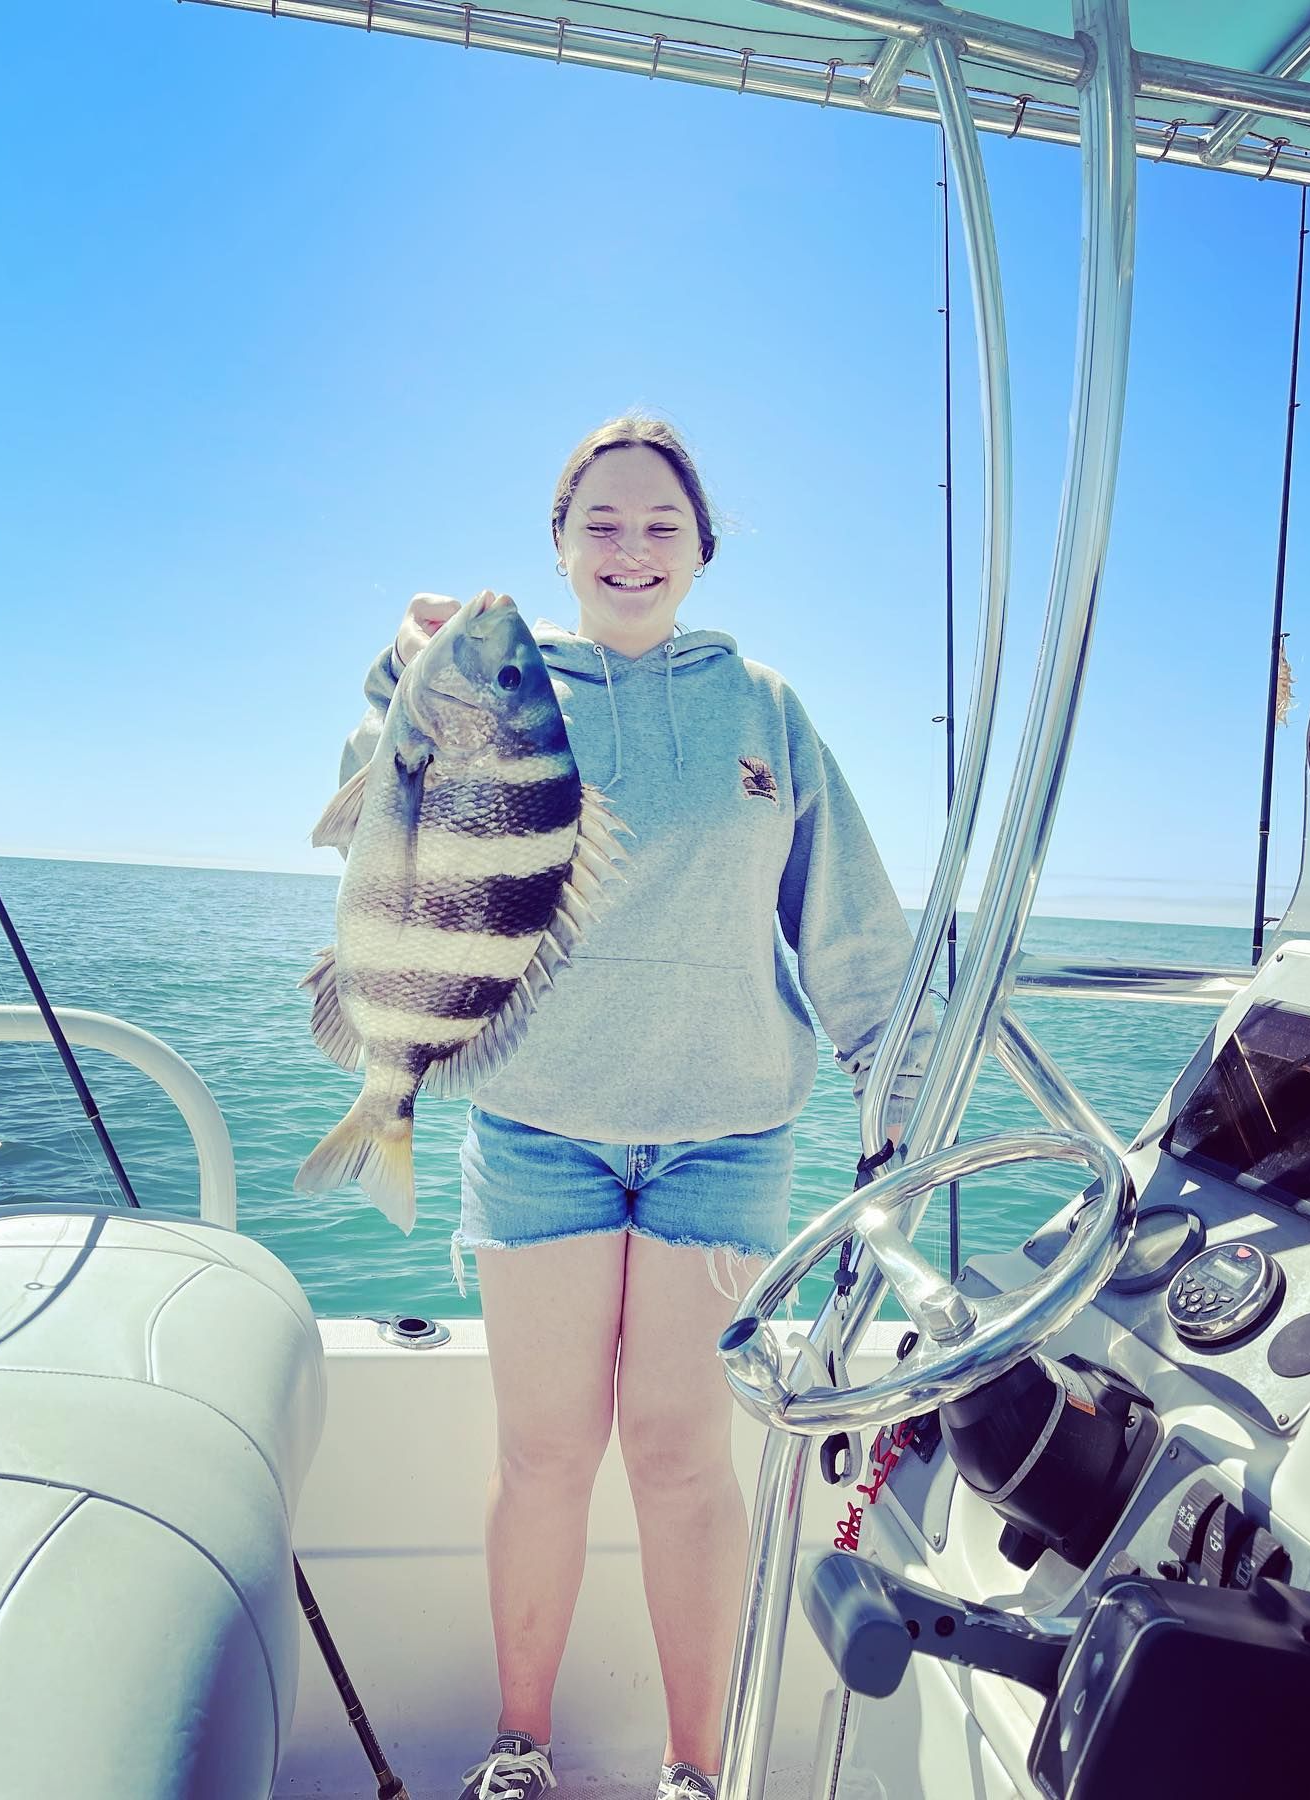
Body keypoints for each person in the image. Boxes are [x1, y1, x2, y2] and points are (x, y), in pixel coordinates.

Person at [338, 417, 932, 1800]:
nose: (630, 547)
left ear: (702, 550)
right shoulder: (501, 683)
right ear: (559, 544)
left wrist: (887, 1080)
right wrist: (396, 671)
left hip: (726, 1138)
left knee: (680, 1457)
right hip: (537, 1129)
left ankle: (694, 1769)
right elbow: (395, 788)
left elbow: (843, 915)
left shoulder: (766, 710)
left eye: (660, 523)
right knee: (544, 1455)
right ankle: (519, 1747)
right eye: (600, 521)